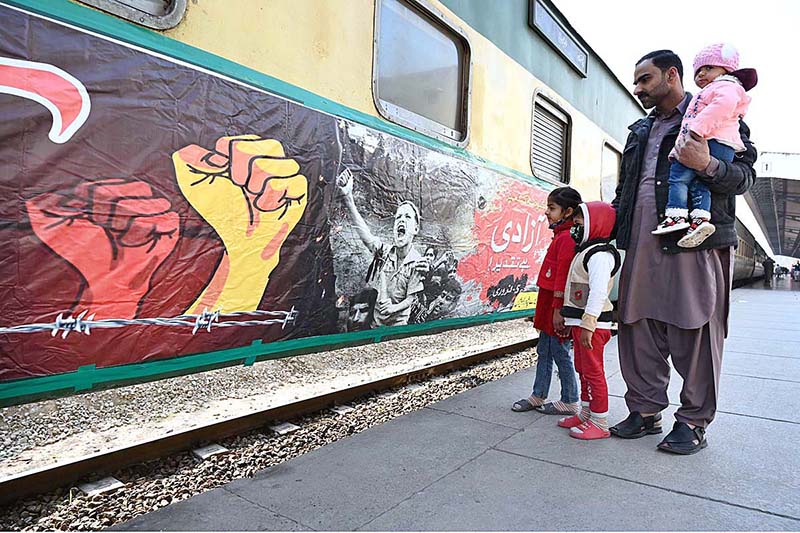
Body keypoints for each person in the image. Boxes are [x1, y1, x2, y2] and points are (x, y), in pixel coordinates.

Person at [610, 50, 757, 454]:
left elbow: (745, 177)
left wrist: (707, 165)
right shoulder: (640, 130)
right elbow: (628, 188)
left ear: (672, 76)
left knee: (694, 328)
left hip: (695, 241)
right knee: (636, 325)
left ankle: (693, 421)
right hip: (641, 241)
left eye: (645, 79)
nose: (638, 88)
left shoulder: (715, 114)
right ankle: (645, 409)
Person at [653, 44, 757, 248]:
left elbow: (718, 109)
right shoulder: (719, 90)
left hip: (711, 140)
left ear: (726, 70)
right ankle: (700, 219)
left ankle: (676, 215)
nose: (701, 73)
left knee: (678, 177)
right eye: (698, 70)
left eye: (708, 68)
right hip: (716, 140)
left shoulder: (724, 88)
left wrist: (696, 131)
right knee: (700, 184)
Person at [512, 187, 582, 416]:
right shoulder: (561, 236)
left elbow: (562, 278)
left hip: (555, 307)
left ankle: (570, 399)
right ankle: (538, 394)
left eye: (552, 208)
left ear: (568, 211)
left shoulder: (566, 238)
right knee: (545, 349)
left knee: (559, 351)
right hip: (549, 305)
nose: (546, 213)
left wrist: (558, 310)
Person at [557, 202, 620, 439]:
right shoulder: (586, 250)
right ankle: (586, 413)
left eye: (581, 221)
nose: (575, 225)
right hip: (581, 323)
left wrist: (588, 322)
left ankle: (600, 421)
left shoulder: (600, 255)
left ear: (597, 224)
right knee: (582, 369)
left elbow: (598, 291)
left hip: (591, 325)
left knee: (593, 372)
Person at [336, 168, 425, 327]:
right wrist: (348, 197)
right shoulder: (384, 252)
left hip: (397, 329)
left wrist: (393, 308)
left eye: (407, 217)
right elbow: (366, 236)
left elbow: (411, 299)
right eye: (398, 217)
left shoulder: (417, 262)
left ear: (416, 228)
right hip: (375, 326)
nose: (401, 220)